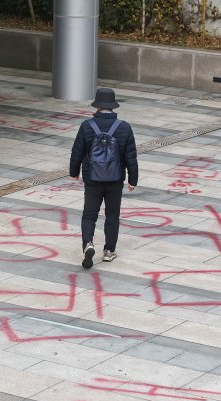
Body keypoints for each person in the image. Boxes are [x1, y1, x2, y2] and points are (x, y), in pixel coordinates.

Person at [69, 87, 138, 269]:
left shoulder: (86, 126)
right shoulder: (124, 127)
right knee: (112, 215)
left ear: (97, 106)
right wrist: (133, 179)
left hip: (92, 179)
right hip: (115, 180)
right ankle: (109, 251)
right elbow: (131, 156)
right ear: (113, 106)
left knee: (89, 215)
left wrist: (74, 171)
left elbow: (77, 151)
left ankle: (88, 244)